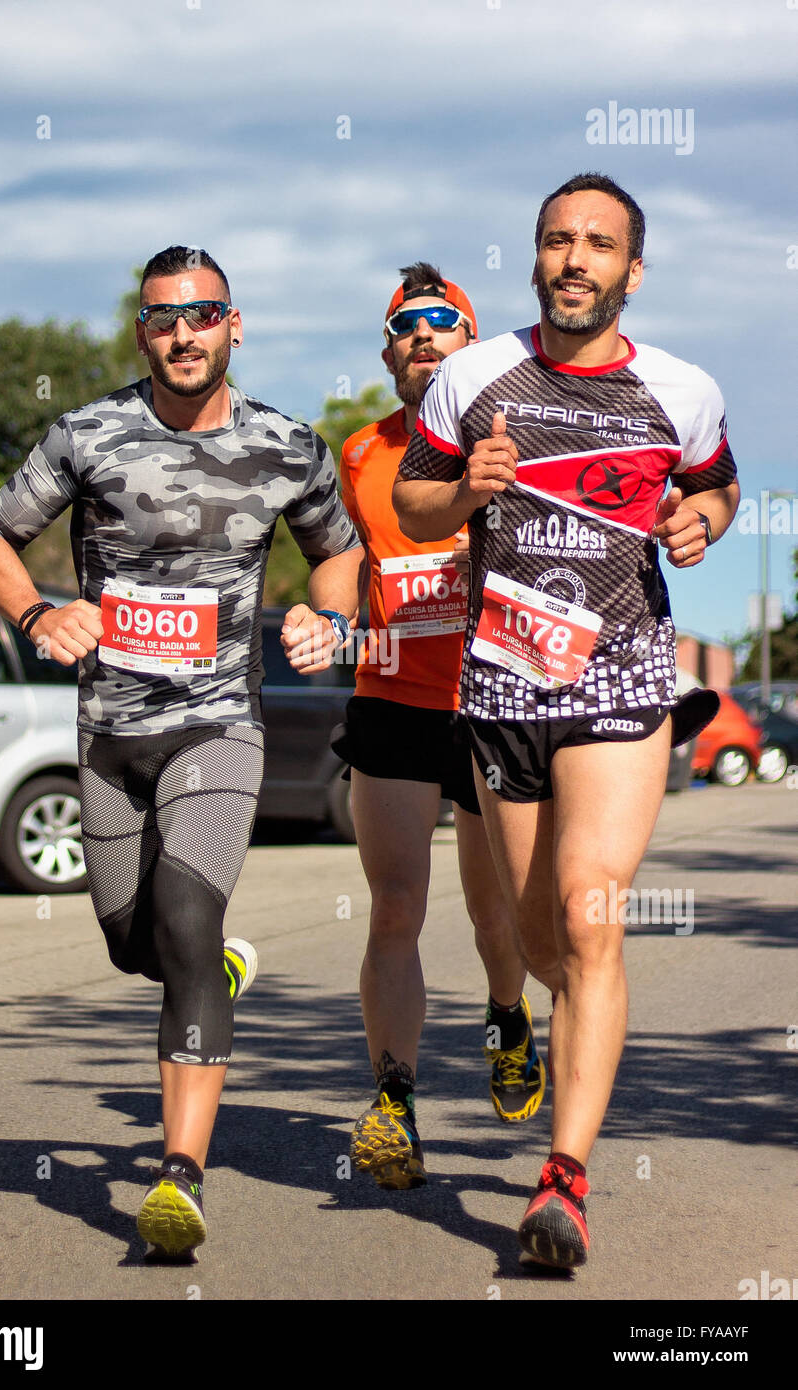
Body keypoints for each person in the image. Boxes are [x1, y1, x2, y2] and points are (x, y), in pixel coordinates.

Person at [0, 246, 363, 1258]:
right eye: (162, 318)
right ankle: (210, 967)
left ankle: (178, 1173)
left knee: (187, 915)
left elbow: (342, 550)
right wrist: (36, 610)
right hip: (111, 732)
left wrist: (329, 617)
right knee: (134, 939)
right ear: (142, 331)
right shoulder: (87, 434)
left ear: (237, 324)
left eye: (203, 314)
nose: (182, 333)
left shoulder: (286, 444)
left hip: (221, 719)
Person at [393, 175, 740, 1266]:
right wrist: (465, 492)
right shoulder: (473, 378)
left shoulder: (681, 391)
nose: (574, 259)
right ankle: (554, 1020)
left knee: (594, 918)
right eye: (556, 241)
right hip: (503, 684)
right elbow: (413, 503)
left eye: (598, 245)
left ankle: (563, 1182)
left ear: (632, 271)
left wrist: (702, 521)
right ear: (535, 258)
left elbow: (719, 486)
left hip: (623, 679)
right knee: (541, 936)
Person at [334, 263, 544, 1193]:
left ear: (472, 343)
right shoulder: (359, 454)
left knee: (494, 909)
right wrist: (327, 614)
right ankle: (394, 1102)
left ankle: (507, 1016)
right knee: (394, 907)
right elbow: (344, 561)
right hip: (391, 700)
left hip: (491, 703)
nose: (424, 337)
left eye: (443, 324)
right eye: (407, 327)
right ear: (389, 353)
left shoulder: (512, 439)